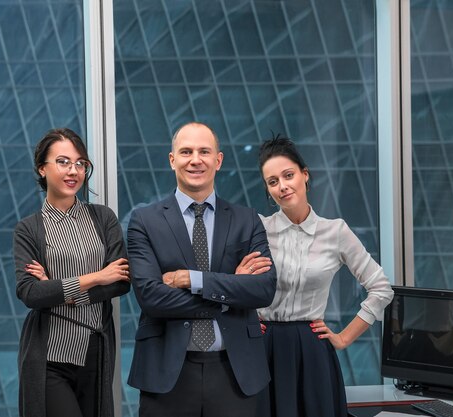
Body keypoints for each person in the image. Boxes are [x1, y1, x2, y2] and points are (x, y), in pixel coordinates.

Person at [126, 121, 277, 417]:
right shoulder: (145, 221)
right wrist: (229, 290)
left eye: (204, 151)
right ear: (172, 160)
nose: (195, 159)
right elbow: (151, 297)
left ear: (218, 160)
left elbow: (263, 289)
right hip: (167, 373)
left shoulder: (247, 220)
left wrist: (193, 279)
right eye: (186, 152)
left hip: (236, 374)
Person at [256, 135, 394, 417]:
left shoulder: (336, 232)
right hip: (263, 347)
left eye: (288, 175)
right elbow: (229, 283)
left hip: (312, 350)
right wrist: (244, 318)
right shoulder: (257, 229)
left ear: (305, 175)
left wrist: (344, 338)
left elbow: (381, 289)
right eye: (273, 182)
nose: (282, 186)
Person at [13, 128, 131, 417]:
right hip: (49, 356)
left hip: (95, 350)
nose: (74, 171)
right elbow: (30, 293)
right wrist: (96, 277)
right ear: (42, 168)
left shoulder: (103, 218)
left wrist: (59, 292)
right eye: (63, 162)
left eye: (80, 163)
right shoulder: (28, 229)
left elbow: (121, 281)